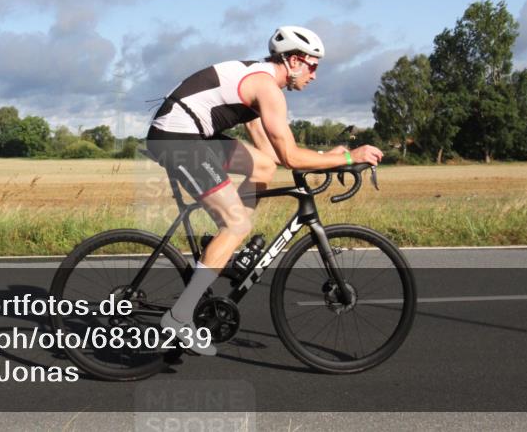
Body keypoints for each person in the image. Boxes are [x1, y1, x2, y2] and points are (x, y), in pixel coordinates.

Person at [146, 25, 384, 356]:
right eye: (313, 65)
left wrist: (329, 159)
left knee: (262, 168)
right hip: (178, 140)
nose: (315, 75)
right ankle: (179, 316)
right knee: (237, 224)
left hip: (188, 135)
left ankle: (226, 246)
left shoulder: (259, 81)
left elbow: (273, 157)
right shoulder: (268, 88)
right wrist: (347, 157)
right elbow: (291, 156)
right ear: (295, 61)